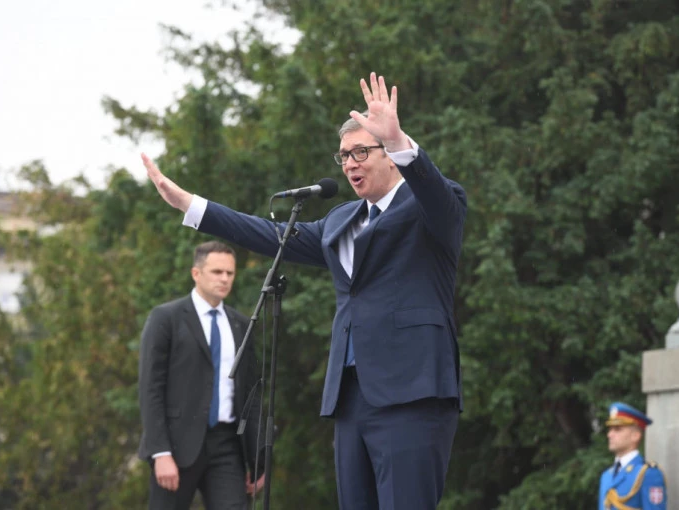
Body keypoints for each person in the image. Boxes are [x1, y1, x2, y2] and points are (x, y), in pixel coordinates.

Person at [142, 72, 467, 510]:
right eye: (344, 156)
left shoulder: (431, 208)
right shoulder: (340, 220)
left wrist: (399, 141)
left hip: (412, 391)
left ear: (391, 157)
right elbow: (267, 234)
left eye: (361, 152)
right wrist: (190, 204)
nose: (350, 163)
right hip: (350, 398)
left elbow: (434, 192)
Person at [138, 241, 264, 510]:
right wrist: (160, 452)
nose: (224, 279)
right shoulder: (166, 318)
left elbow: (251, 395)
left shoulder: (241, 325)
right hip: (176, 444)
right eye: (217, 272)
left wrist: (258, 460)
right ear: (196, 273)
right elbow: (150, 389)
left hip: (227, 445)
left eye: (230, 273)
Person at [598, 402, 667, 510]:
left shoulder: (648, 474)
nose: (609, 435)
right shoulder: (606, 476)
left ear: (635, 436)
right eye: (610, 429)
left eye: (617, 429)